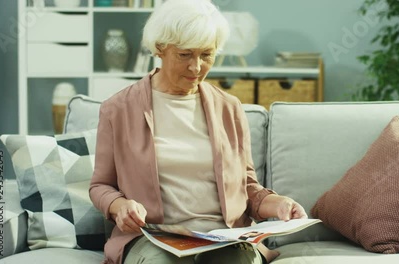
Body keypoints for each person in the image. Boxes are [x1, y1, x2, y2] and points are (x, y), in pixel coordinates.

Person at [89, 0, 307, 263]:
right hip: (153, 236)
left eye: (206, 55)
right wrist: (119, 206)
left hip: (224, 237)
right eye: (184, 55)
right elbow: (101, 185)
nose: (196, 67)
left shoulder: (229, 108)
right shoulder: (118, 109)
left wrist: (279, 204)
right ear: (160, 48)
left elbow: (247, 188)